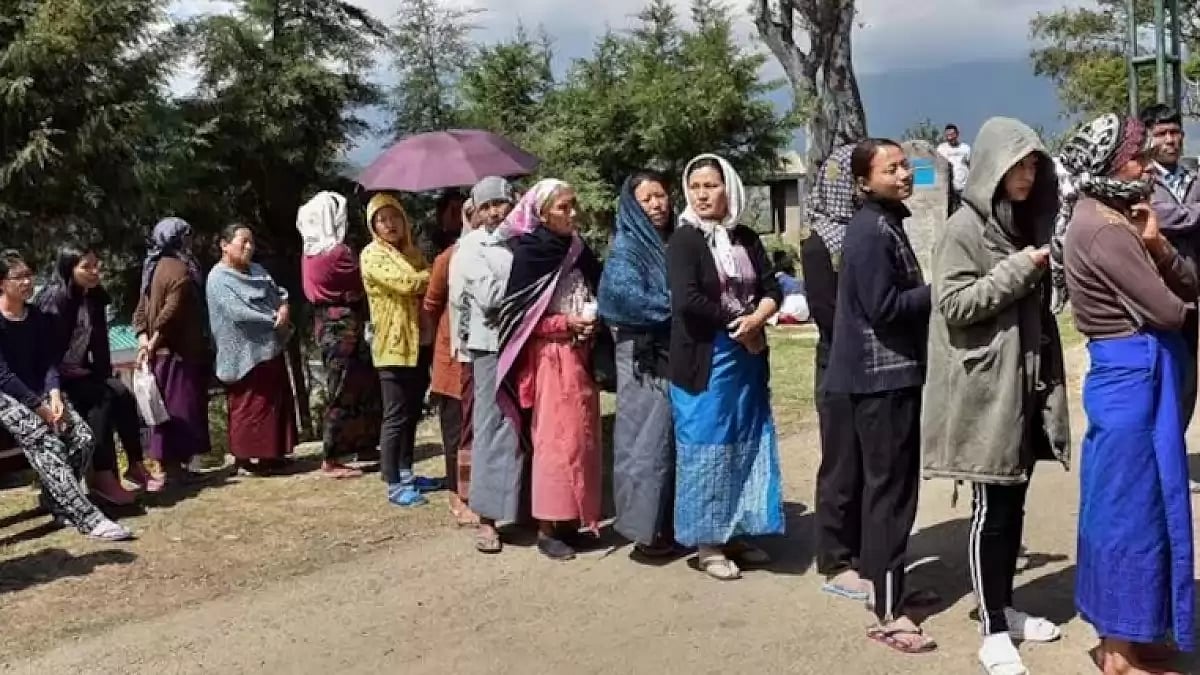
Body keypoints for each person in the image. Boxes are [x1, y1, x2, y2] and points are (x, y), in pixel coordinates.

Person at [922, 118, 1069, 674]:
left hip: (1023, 387)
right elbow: (955, 306)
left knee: (1014, 506)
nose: (1027, 175)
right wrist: (1020, 267)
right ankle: (990, 629)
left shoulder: (1022, 221)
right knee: (990, 510)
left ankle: (1004, 606)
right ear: (991, 166)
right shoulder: (964, 228)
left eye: (1034, 164)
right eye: (1017, 165)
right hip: (985, 392)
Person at [1058, 113, 1197, 675]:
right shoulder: (1099, 228)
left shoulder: (1122, 218)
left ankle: (1133, 635)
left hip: (1143, 372)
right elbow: (1169, 308)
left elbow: (1185, 280)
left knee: (1151, 504)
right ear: (1110, 165)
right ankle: (1117, 650)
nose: (1144, 165)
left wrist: (1159, 245)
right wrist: (1179, 300)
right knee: (1128, 511)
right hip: (1130, 375)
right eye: (1134, 157)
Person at [823, 139, 935, 652]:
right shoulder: (869, 231)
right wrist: (939, 291)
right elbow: (884, 307)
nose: (904, 174)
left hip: (891, 377)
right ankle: (889, 611)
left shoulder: (886, 221)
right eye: (891, 169)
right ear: (864, 182)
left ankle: (889, 586)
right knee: (889, 493)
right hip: (880, 379)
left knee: (889, 488)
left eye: (905, 165)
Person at [666, 154, 785, 580]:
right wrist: (741, 322)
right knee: (707, 447)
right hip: (706, 359)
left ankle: (736, 530)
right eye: (695, 186)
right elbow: (687, 301)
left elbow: (773, 287)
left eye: (710, 185)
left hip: (747, 357)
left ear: (728, 189)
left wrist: (758, 317)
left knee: (743, 443)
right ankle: (707, 543)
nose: (702, 194)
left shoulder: (746, 238)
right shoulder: (685, 241)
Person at [495, 179, 604, 561]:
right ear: (541, 213)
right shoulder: (530, 254)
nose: (572, 214)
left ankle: (574, 519)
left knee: (583, 440)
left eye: (574, 205)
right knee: (556, 443)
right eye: (563, 208)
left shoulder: (577, 249)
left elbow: (597, 286)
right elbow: (517, 320)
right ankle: (547, 525)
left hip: (580, 357)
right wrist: (562, 325)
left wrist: (592, 322)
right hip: (549, 360)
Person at [0, 251, 133, 541]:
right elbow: (4, 376)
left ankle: (56, 501)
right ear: (2, 283)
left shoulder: (35, 316)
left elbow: (49, 362)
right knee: (42, 436)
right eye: (18, 277)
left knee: (82, 437)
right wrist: (39, 407)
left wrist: (55, 395)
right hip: (6, 396)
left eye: (28, 275)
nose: (26, 282)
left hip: (39, 392)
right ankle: (85, 516)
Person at [804, 143, 873, 601]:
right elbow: (827, 311)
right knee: (842, 463)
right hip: (839, 362)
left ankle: (870, 554)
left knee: (872, 463)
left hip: (871, 360)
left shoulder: (869, 229)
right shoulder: (819, 241)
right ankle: (835, 558)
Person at [597, 169, 677, 558]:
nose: (657, 205)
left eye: (661, 196)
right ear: (632, 205)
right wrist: (680, 304)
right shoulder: (627, 248)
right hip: (642, 356)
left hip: (670, 351)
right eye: (647, 198)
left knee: (669, 441)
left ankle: (667, 524)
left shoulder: (670, 241)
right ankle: (644, 531)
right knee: (645, 442)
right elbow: (624, 300)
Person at [37, 245, 148, 505]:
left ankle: (135, 464)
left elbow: (100, 345)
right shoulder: (56, 299)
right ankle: (102, 476)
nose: (94, 271)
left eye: (96, 265)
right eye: (86, 267)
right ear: (69, 268)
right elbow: (45, 353)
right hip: (52, 377)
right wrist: (54, 390)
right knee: (101, 400)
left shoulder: (95, 297)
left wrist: (104, 375)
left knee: (121, 393)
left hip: (79, 372)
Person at [453, 176, 519, 553]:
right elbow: (490, 295)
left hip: (523, 343)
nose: (495, 212)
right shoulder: (471, 247)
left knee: (523, 425)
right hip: (489, 347)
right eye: (487, 206)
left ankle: (522, 507)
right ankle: (487, 519)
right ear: (476, 212)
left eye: (501, 203)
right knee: (490, 426)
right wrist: (526, 277)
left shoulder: (522, 241)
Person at [360, 194, 439, 507]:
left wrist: (424, 275)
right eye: (382, 219)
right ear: (373, 226)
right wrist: (426, 275)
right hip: (391, 344)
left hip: (418, 341)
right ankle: (393, 482)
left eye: (394, 217)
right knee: (394, 415)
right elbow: (407, 283)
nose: (389, 224)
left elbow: (422, 278)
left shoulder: (412, 252)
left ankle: (407, 473)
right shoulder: (371, 255)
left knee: (411, 411)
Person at [297, 191, 381, 479]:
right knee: (348, 386)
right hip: (343, 322)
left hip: (325, 322)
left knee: (354, 382)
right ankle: (333, 456)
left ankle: (362, 444)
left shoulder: (309, 252)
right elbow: (363, 279)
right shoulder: (337, 253)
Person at [1140, 104, 1200, 494]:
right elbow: (1158, 217)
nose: (1170, 139)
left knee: (1187, 381)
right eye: (1162, 133)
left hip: (1192, 297)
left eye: (1174, 132)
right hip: (1154, 296)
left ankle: (1173, 457)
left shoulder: (1193, 177)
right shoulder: (1142, 180)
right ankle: (1151, 464)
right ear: (1148, 138)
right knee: (1156, 376)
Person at [207, 224, 298, 474]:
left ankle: (272, 455)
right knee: (248, 406)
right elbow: (237, 312)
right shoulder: (218, 278)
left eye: (251, 243)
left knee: (272, 403)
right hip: (241, 352)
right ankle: (245, 458)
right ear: (224, 245)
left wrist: (283, 308)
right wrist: (272, 318)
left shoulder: (258, 270)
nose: (249, 247)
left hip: (269, 347)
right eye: (242, 242)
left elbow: (278, 293)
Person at [133, 217, 212, 489]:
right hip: (177, 350)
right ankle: (175, 468)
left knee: (162, 409)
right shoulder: (181, 268)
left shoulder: (151, 267)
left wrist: (144, 340)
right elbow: (172, 310)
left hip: (160, 352)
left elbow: (142, 307)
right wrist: (154, 339)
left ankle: (171, 466)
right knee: (180, 409)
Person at [424, 197, 476, 525]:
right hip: (453, 359)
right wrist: (442, 346)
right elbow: (430, 304)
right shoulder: (449, 257)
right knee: (456, 432)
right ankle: (457, 495)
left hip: (485, 360)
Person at [417, 191, 465, 264]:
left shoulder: (470, 233)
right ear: (442, 212)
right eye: (454, 211)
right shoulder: (429, 233)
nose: (459, 216)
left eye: (462, 211)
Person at [938, 123, 971, 216]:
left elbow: (970, 165)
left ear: (957, 134)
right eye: (947, 135)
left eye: (952, 134)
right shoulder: (941, 149)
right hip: (949, 188)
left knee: (964, 213)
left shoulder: (965, 148)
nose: (950, 137)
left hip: (963, 187)